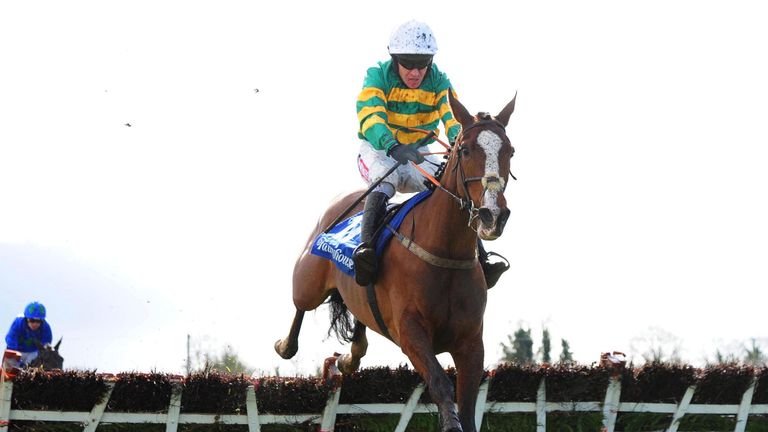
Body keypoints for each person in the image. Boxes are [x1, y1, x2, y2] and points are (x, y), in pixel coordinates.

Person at [353, 20, 509, 288]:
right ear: (394, 59)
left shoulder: (439, 81)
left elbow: (453, 119)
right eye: (408, 63)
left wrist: (456, 143)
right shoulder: (376, 75)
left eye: (422, 64)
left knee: (453, 184)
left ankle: (482, 257)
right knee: (384, 180)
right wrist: (391, 144)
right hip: (379, 150)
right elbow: (370, 115)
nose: (415, 72)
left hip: (418, 153)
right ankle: (366, 251)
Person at [4, 301, 53, 367]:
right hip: (16, 351)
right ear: (26, 318)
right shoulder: (18, 323)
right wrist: (18, 361)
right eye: (32, 320)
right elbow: (11, 342)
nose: (35, 324)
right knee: (10, 364)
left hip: (33, 353)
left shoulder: (46, 328)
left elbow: (45, 348)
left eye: (38, 321)